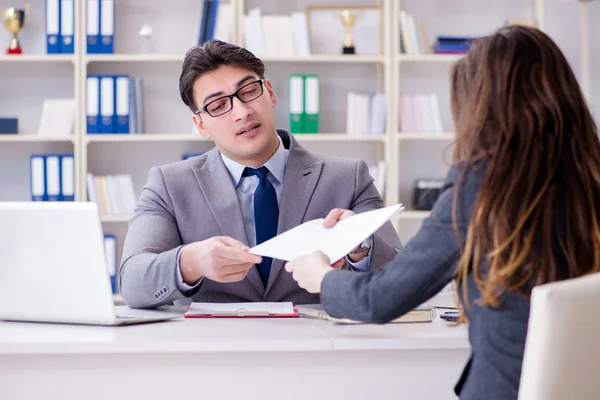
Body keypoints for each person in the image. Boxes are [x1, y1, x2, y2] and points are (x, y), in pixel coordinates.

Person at [284, 24, 600, 400]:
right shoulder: (588, 175)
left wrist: (320, 276)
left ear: (480, 106)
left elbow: (380, 299)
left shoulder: (481, 185)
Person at [119, 40, 402, 309]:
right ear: (200, 125)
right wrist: (191, 262)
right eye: (218, 106)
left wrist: (360, 246)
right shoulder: (169, 185)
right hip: (214, 353)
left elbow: (401, 278)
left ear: (270, 92)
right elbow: (132, 283)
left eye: (249, 91)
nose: (242, 111)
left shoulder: (348, 177)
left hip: (318, 348)